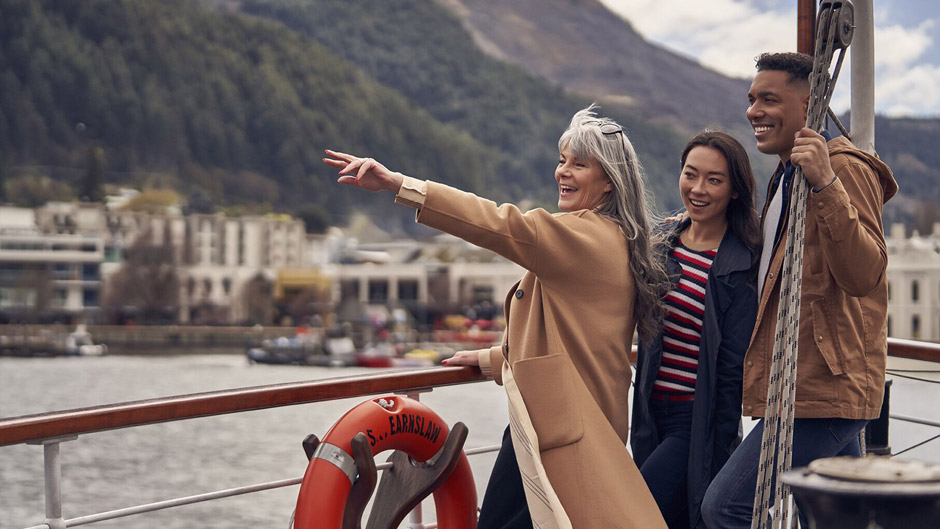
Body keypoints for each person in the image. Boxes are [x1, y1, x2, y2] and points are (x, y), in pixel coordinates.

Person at [323, 106, 669, 528]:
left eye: (580, 164)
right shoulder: (614, 238)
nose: (563, 172)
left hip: (561, 435)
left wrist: (400, 184)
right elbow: (575, 338)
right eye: (562, 160)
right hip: (558, 423)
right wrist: (493, 359)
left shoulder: (583, 236)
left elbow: (498, 223)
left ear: (610, 182)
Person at [700, 52, 898, 528]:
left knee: (724, 507)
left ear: (812, 105)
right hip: (803, 384)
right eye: (751, 100)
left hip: (820, 389)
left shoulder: (841, 167)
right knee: (833, 518)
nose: (754, 111)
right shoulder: (787, 174)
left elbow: (865, 274)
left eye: (769, 99)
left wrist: (827, 182)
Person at [631, 131, 760, 529]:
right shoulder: (663, 245)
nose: (698, 189)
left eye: (714, 180)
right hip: (649, 413)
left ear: (735, 190)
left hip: (694, 420)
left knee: (635, 511)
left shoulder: (742, 263)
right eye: (691, 174)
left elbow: (731, 371)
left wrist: (720, 447)